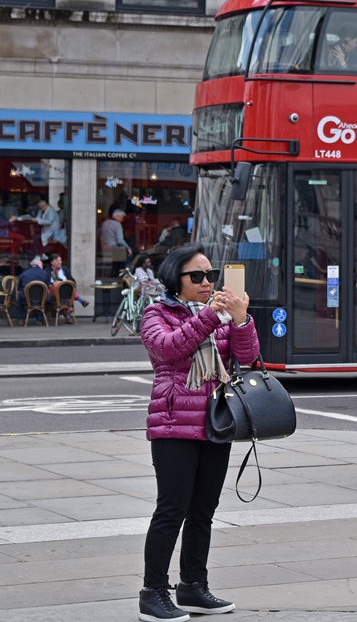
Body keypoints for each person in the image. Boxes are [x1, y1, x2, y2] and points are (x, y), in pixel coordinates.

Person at [137, 242, 257, 622]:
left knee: (204, 511)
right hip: (173, 425)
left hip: (214, 421)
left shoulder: (218, 315)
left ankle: (192, 586)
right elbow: (169, 349)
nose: (208, 282)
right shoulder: (157, 313)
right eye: (198, 276)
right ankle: (153, 592)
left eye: (211, 275)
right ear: (177, 279)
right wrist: (210, 316)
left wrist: (241, 319)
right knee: (172, 509)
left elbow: (248, 356)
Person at [17, 254, 50, 319]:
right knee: (48, 298)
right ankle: (40, 318)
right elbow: (47, 286)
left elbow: (19, 287)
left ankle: (20, 318)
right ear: (39, 265)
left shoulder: (24, 273)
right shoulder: (45, 273)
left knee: (19, 298)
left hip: (26, 299)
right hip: (41, 300)